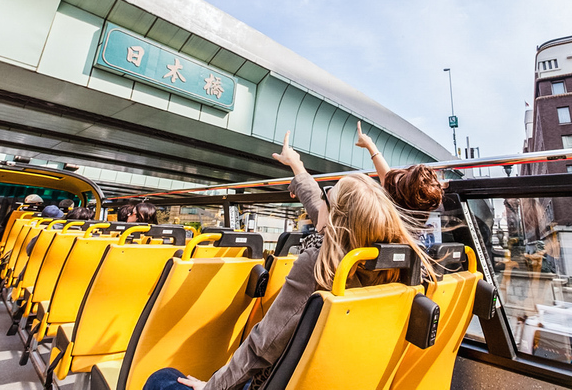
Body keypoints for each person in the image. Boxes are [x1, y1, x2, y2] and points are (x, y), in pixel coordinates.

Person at [144, 131, 434, 390]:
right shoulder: (403, 272)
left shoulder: (318, 267)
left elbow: (262, 348)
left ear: (335, 221)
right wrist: (297, 165)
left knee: (161, 379)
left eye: (328, 201)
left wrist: (211, 388)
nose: (320, 206)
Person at [355, 121, 444, 245]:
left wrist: (370, 145)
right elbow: (388, 181)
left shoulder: (380, 238)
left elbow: (389, 182)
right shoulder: (418, 241)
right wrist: (371, 146)